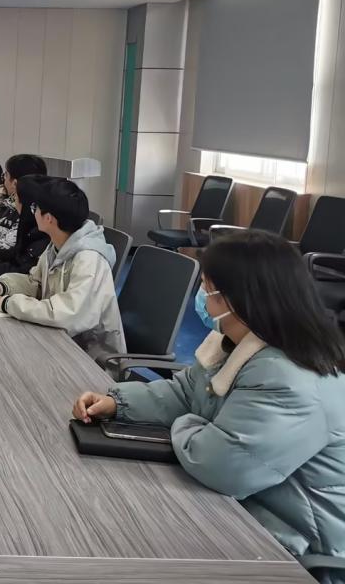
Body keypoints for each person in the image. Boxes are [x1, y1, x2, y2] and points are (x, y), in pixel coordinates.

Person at [73, 231, 345, 579]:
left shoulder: (290, 377)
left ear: (239, 299)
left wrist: (190, 423)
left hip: (297, 550)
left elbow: (223, 465)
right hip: (246, 513)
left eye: (207, 288)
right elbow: (186, 392)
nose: (201, 298)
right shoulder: (235, 342)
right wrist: (117, 402)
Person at [0, 177, 124, 359]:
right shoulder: (58, 244)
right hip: (58, 340)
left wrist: (7, 303)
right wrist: (1, 287)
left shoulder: (89, 259)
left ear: (49, 218)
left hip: (91, 358)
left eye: (35, 208)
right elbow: (35, 283)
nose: (33, 212)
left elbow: (68, 313)